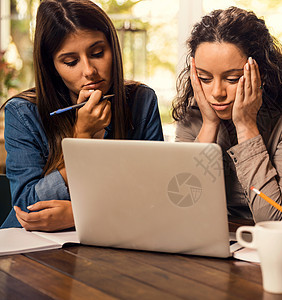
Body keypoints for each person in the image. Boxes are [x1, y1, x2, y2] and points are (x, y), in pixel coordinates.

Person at [1, 0, 164, 231]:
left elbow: (156, 197)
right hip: (30, 248)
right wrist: (82, 137)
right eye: (71, 62)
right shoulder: (23, 113)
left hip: (112, 239)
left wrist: (81, 215)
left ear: (112, 48)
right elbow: (27, 209)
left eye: (97, 53)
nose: (89, 71)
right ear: (52, 67)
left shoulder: (141, 100)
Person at [172, 7, 282, 224]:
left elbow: (273, 219)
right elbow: (179, 205)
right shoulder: (193, 114)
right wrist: (209, 125)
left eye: (233, 79)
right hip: (207, 237)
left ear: (261, 73)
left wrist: (246, 126)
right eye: (205, 79)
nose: (217, 93)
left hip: (268, 244)